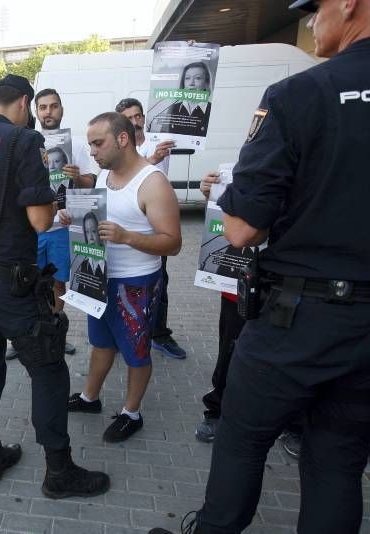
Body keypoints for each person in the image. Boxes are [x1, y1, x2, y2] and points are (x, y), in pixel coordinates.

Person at [151, 1, 370, 532]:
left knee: (242, 439)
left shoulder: (302, 93)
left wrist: (227, 198)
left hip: (300, 319)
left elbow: (245, 229)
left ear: (350, 4)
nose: (313, 21)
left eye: (315, 8)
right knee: (338, 462)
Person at [0, 74, 110, 498]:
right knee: (48, 366)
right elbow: (41, 221)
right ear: (24, 103)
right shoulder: (24, 141)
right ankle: (59, 471)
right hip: (9, 280)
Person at [64, 112, 181, 443]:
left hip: (136, 285)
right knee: (100, 343)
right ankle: (90, 398)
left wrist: (127, 236)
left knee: (136, 352)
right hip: (99, 278)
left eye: (98, 143)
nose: (92, 151)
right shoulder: (104, 176)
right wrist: (70, 218)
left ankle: (132, 412)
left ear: (123, 139)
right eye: (90, 144)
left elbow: (173, 243)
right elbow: (98, 220)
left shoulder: (152, 182)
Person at [195, 172, 304, 456]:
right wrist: (215, 194)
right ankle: (218, 408)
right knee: (231, 347)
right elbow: (238, 222)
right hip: (242, 280)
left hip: (296, 281)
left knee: (292, 354)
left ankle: (295, 422)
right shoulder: (261, 159)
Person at [14, 88, 97, 361]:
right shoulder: (25, 142)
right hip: (33, 229)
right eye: (43, 107)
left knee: (58, 284)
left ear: (62, 110)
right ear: (35, 112)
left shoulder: (76, 145)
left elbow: (92, 183)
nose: (48, 112)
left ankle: (55, 333)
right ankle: (22, 338)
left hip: (62, 228)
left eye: (54, 106)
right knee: (26, 283)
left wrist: (77, 177)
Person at [114, 97, 186, 359]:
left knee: (160, 279)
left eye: (139, 116)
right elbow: (127, 174)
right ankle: (127, 330)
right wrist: (152, 159)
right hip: (133, 221)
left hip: (158, 218)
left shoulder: (158, 140)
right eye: (130, 118)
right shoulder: (122, 148)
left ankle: (159, 333)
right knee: (129, 281)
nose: (136, 121)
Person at [157, 62, 212, 137]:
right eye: (187, 78)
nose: (191, 83)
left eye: (197, 78)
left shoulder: (212, 110)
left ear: (206, 83)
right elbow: (162, 136)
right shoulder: (173, 108)